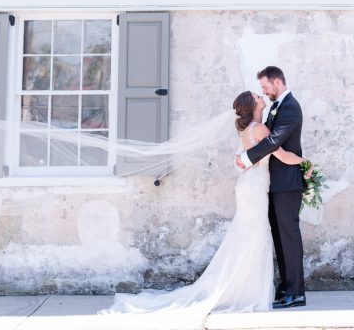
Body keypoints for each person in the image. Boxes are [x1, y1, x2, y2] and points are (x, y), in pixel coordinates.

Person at [93, 87, 306, 328]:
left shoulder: (246, 129)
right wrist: (306, 164)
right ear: (254, 106)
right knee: (255, 235)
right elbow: (283, 156)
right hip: (255, 188)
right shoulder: (259, 128)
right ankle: (247, 291)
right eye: (258, 97)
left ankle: (242, 288)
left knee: (248, 234)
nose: (261, 96)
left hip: (248, 186)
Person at [236, 65, 306, 309]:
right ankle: (286, 288)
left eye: (265, 87)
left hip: (287, 183)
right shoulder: (277, 107)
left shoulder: (290, 107)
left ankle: (296, 292)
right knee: (279, 237)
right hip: (273, 184)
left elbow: (274, 141)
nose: (264, 92)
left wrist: (245, 158)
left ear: (277, 82)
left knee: (289, 237)